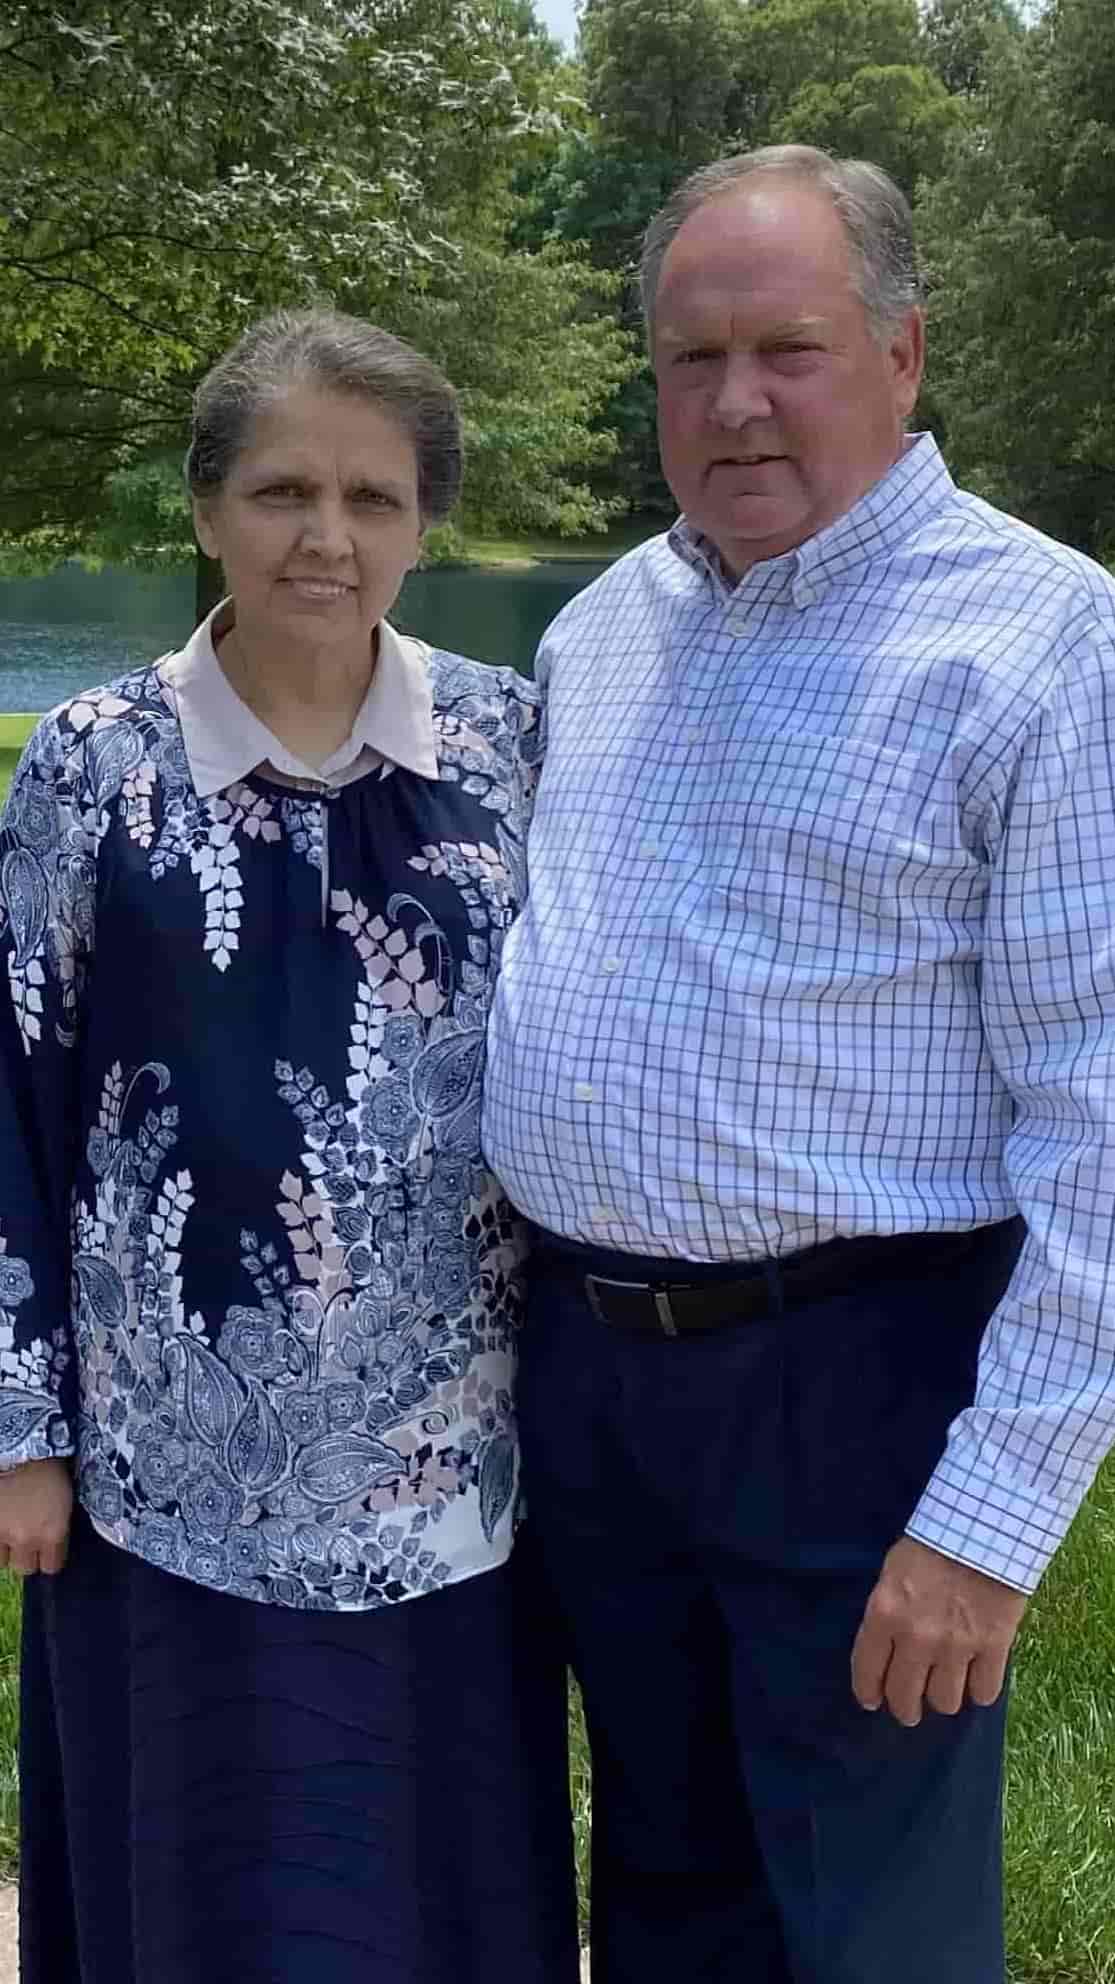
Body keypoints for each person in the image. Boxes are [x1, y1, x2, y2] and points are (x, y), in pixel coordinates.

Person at [482, 144, 1115, 1984]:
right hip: (593, 1383)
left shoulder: (1045, 641)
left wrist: (990, 1524)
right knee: (668, 1894)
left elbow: (1104, 1116)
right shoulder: (605, 628)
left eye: (790, 350)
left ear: (903, 353)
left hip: (863, 1387)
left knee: (871, 1933)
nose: (735, 403)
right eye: (692, 359)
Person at [0, 308, 578, 1984]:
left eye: (372, 497)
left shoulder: (513, 746)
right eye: (280, 491)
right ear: (205, 509)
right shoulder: (94, 768)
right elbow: (14, 1096)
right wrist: (23, 1432)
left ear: (424, 524)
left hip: (455, 1480)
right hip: (168, 1484)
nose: (327, 536)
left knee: (430, 1899)